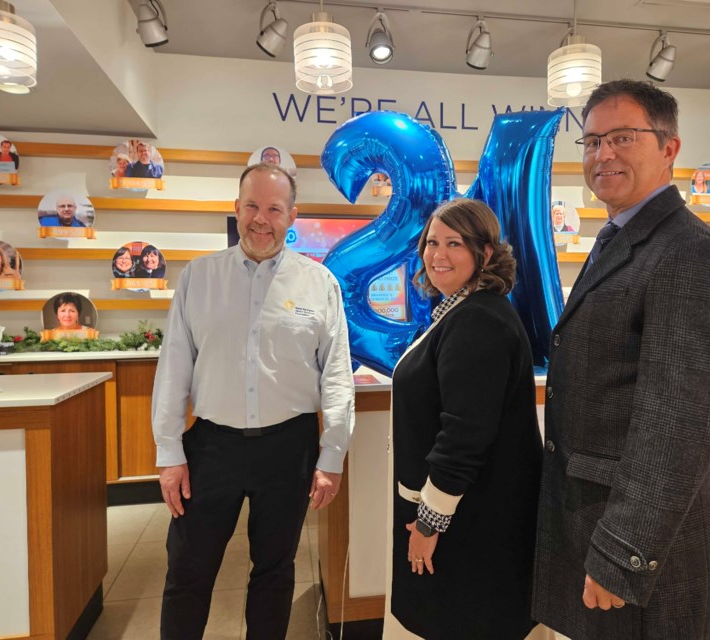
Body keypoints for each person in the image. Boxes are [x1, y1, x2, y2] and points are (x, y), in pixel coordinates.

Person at [531, 79, 710, 639]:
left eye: (623, 137)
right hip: (595, 517)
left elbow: (678, 424)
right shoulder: (621, 239)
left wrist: (621, 554)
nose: (603, 153)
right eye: (591, 141)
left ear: (669, 148)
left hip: (642, 551)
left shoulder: (694, 256)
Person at [152, 163, 355, 640]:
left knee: (274, 571)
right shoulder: (199, 279)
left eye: (274, 209)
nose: (260, 219)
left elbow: (337, 377)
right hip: (210, 447)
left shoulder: (319, 283)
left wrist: (333, 455)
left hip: (290, 448)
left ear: (292, 216)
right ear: (236, 208)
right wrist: (168, 453)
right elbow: (173, 370)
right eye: (252, 207)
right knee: (187, 571)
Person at [388, 198, 543, 640]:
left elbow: (464, 438)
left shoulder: (479, 323)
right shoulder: (464, 311)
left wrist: (427, 524)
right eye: (432, 242)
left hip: (472, 523)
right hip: (469, 516)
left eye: (454, 243)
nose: (438, 254)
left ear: (485, 253)